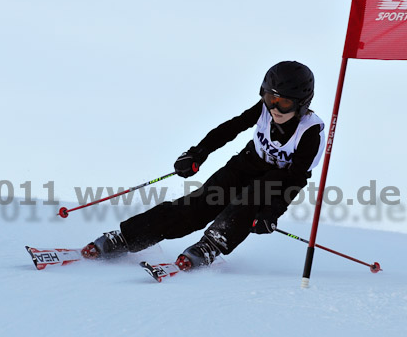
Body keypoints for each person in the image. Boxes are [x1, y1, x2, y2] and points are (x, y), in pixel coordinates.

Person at [82, 61, 325, 271]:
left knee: (251, 199)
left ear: (302, 103)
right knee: (199, 205)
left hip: (278, 179)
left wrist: (272, 213)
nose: (274, 108)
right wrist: (198, 153)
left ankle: (212, 245)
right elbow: (230, 128)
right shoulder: (263, 110)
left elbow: (295, 179)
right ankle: (127, 237)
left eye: (284, 104)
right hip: (247, 163)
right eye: (271, 98)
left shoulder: (309, 133)